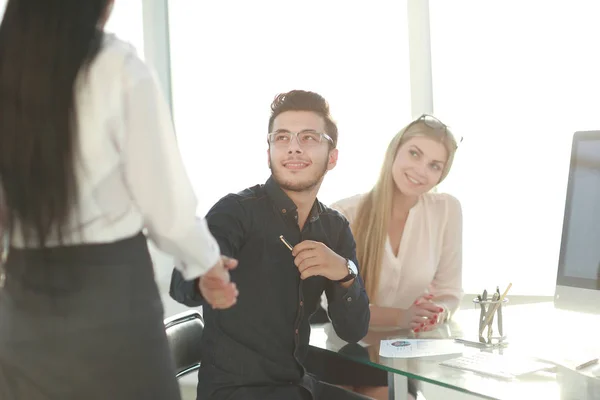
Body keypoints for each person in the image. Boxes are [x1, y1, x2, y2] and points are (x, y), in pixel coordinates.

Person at [0, 1, 236, 399]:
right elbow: (169, 213)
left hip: (23, 306)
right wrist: (206, 263)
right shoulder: (117, 67)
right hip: (112, 302)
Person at [170, 90, 371, 400]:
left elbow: (352, 331)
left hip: (300, 387)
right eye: (282, 138)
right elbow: (182, 281)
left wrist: (345, 273)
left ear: (332, 157)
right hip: (236, 394)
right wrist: (206, 273)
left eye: (308, 138)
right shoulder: (235, 211)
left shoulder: (334, 227)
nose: (293, 148)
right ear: (269, 153)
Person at [306, 114, 463, 400]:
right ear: (395, 150)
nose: (420, 170)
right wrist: (402, 316)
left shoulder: (446, 211)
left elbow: (449, 293)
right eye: (414, 154)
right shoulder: (346, 213)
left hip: (402, 359)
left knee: (386, 393)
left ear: (442, 173)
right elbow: (334, 304)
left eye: (434, 166)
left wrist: (435, 313)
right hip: (347, 352)